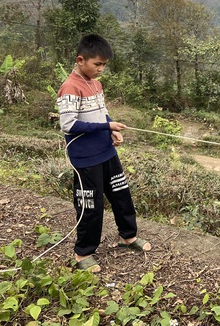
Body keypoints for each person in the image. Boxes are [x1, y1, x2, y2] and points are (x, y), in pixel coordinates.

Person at [57, 34, 151, 272]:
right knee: (91, 205)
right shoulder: (70, 87)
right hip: (86, 158)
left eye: (104, 65)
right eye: (97, 64)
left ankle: (127, 237)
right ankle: (83, 253)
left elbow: (101, 113)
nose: (101, 69)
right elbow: (68, 125)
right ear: (81, 60)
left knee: (121, 194)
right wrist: (106, 126)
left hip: (106, 152)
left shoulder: (95, 84)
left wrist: (111, 130)